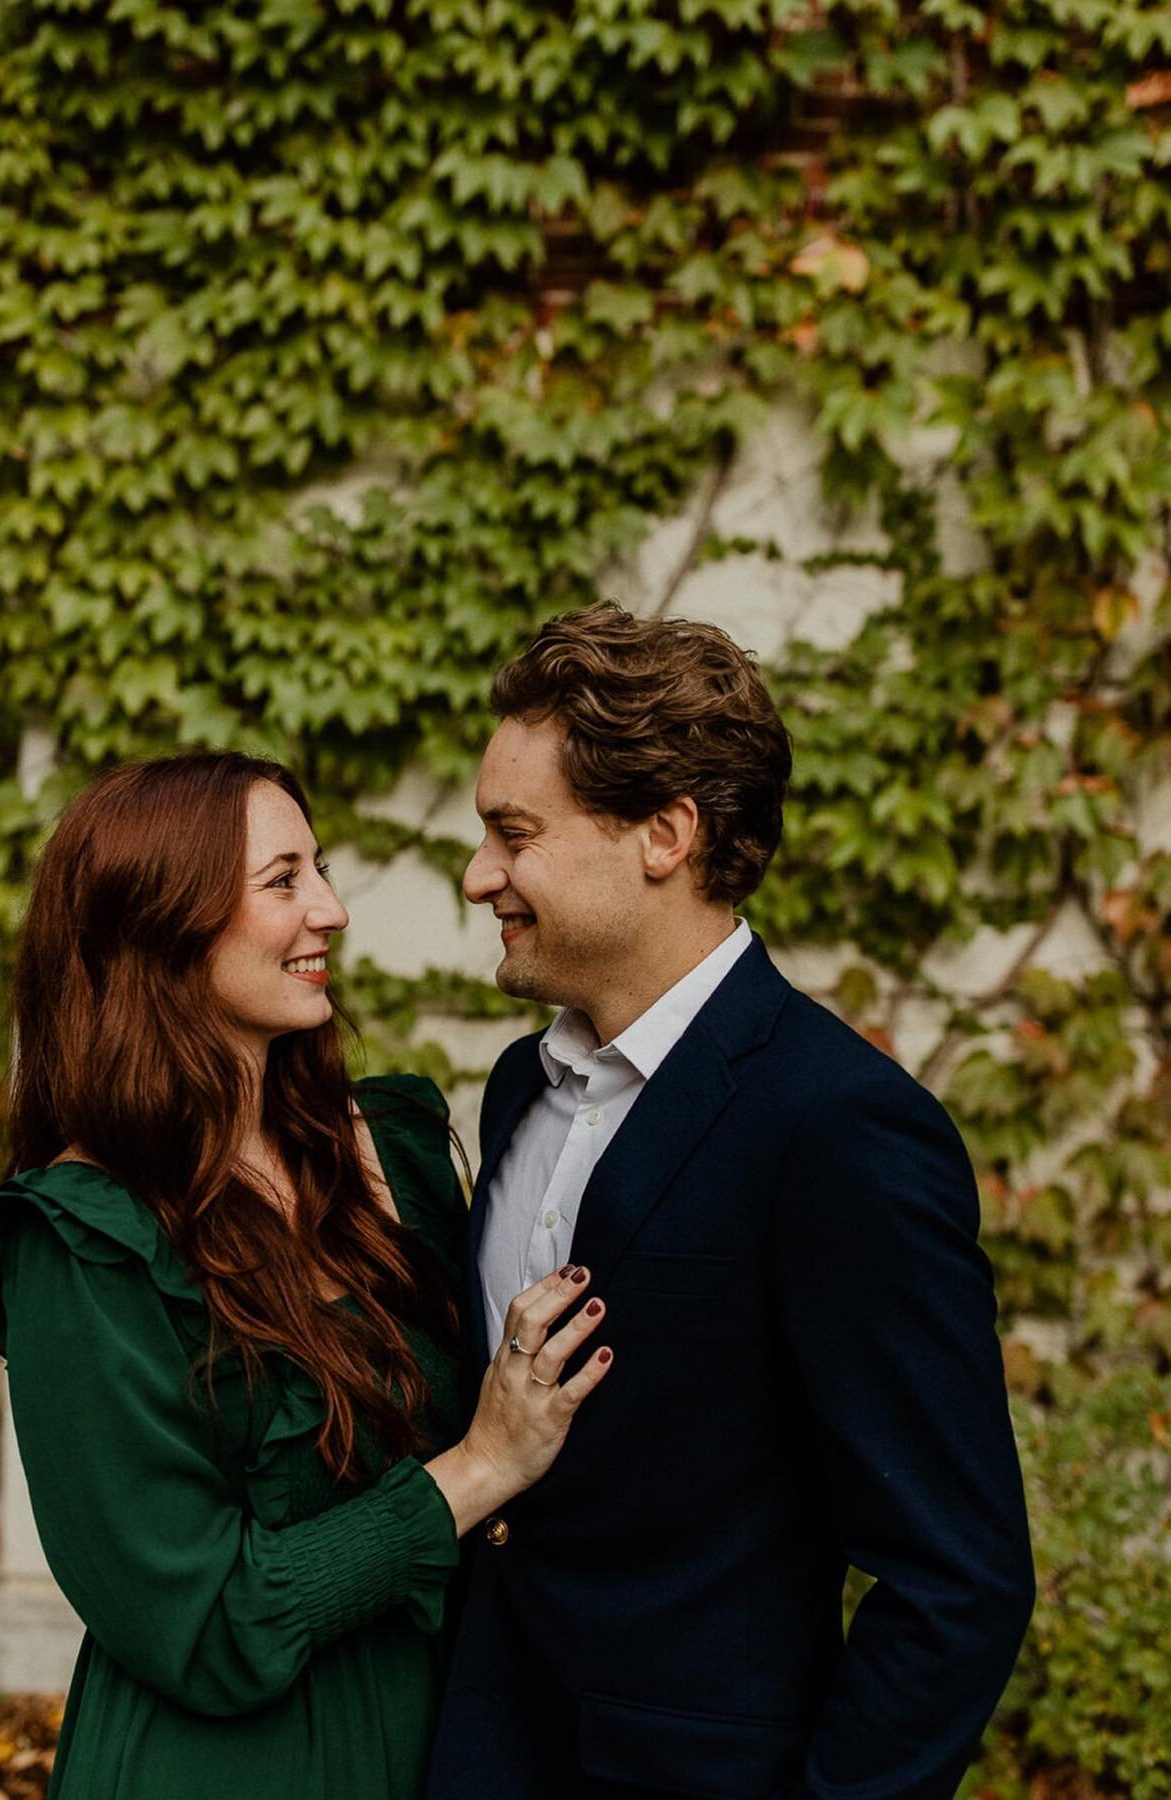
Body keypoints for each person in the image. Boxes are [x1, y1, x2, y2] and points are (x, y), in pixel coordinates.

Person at [426, 602, 1036, 1800]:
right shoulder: (515, 1089)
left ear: (664, 834)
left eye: (513, 833)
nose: (477, 873)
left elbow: (957, 1581)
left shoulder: (841, 1128)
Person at [0, 751, 614, 1800]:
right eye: (284, 880)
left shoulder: (392, 1149)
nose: (334, 911)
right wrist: (480, 1466)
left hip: (447, 1740)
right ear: (161, 922)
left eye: (321, 870)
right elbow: (204, 1621)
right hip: (224, 1767)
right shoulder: (81, 1247)